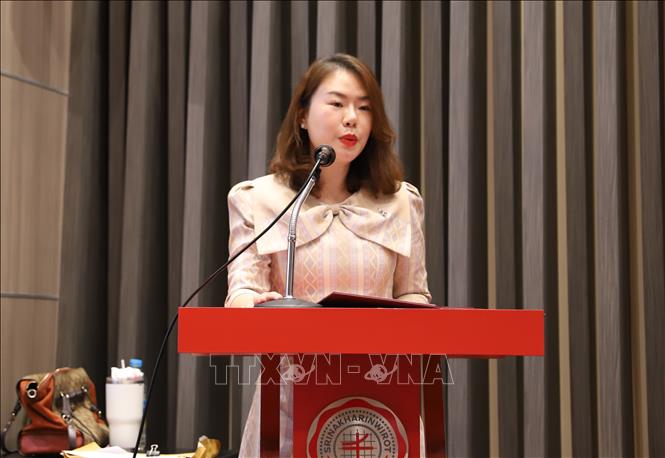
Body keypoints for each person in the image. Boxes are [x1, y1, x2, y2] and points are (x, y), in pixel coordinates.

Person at [224, 53, 431, 457]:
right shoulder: (258, 199)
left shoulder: (401, 202)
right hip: (288, 409)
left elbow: (412, 294)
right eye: (337, 103)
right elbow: (242, 291)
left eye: (364, 108)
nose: (352, 118)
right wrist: (251, 305)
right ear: (302, 116)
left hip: (384, 406)